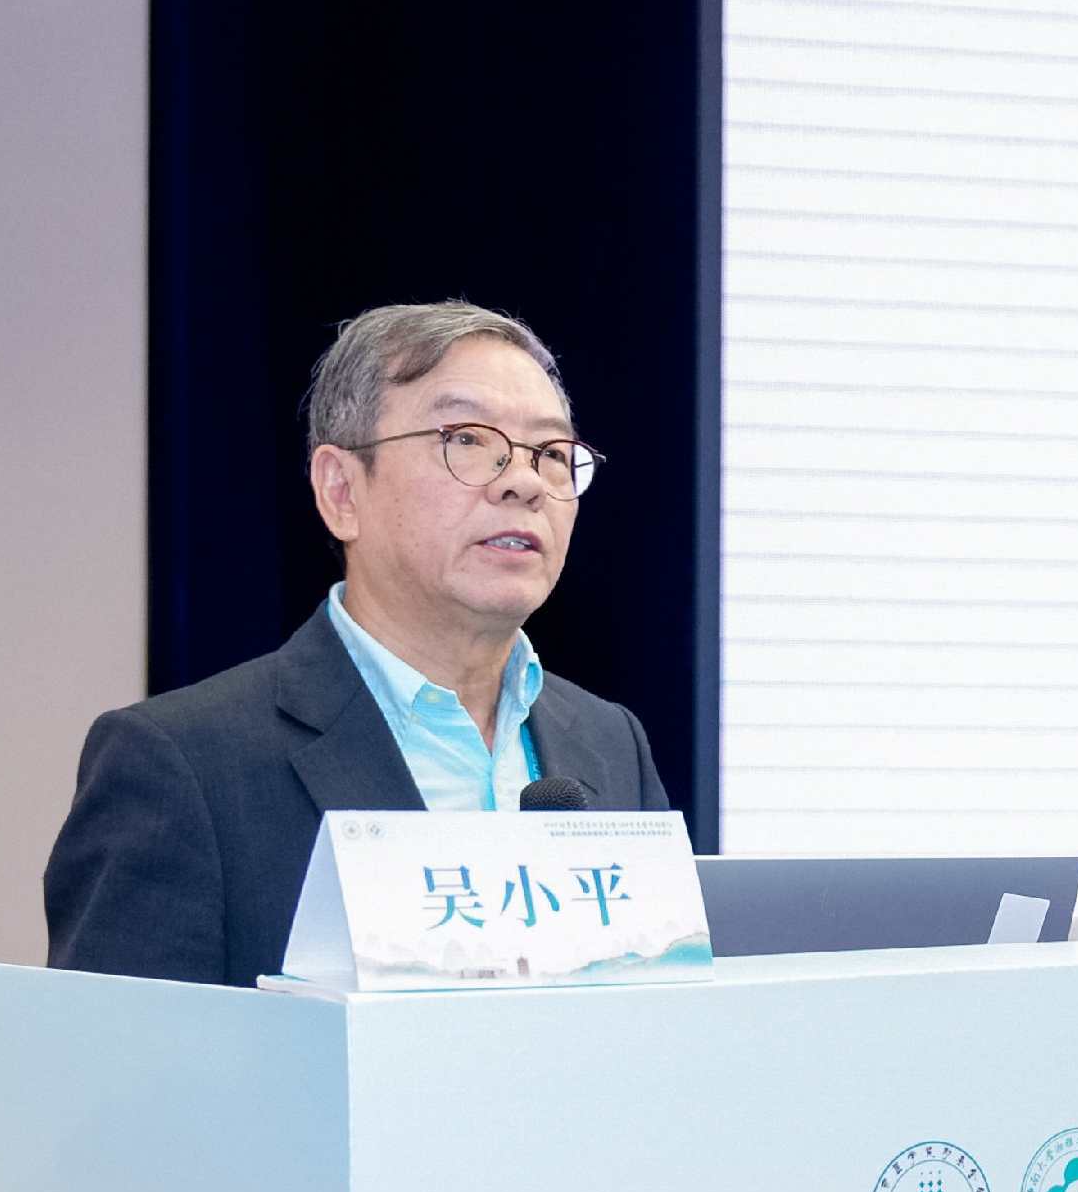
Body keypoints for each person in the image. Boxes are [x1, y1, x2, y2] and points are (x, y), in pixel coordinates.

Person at [44, 299, 673, 985]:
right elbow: (124, 1051)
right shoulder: (180, 763)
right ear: (341, 491)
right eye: (466, 439)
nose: (524, 483)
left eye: (551, 454)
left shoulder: (610, 744)